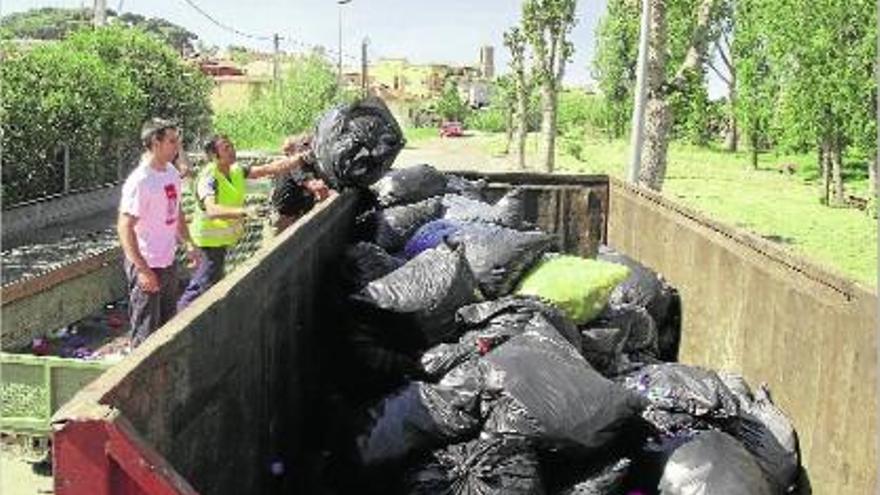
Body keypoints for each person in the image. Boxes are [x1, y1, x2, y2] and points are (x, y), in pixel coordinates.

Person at [176, 134, 314, 310]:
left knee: (210, 284)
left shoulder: (235, 170)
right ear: (213, 155)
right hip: (207, 243)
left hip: (218, 242)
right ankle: (181, 321)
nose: (232, 150)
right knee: (201, 288)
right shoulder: (208, 178)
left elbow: (268, 169)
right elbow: (212, 210)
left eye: (232, 145)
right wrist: (245, 211)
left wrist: (300, 158)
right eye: (226, 148)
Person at [118, 118, 201, 347]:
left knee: (166, 330)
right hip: (147, 264)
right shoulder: (140, 180)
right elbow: (124, 228)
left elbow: (176, 211)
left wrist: (188, 243)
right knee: (145, 335)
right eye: (172, 141)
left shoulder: (170, 172)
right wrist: (143, 270)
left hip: (167, 261)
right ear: (155, 142)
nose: (177, 147)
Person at [273, 133, 332, 232]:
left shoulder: (305, 164)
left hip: (295, 210)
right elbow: (317, 188)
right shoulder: (295, 165)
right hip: (287, 216)